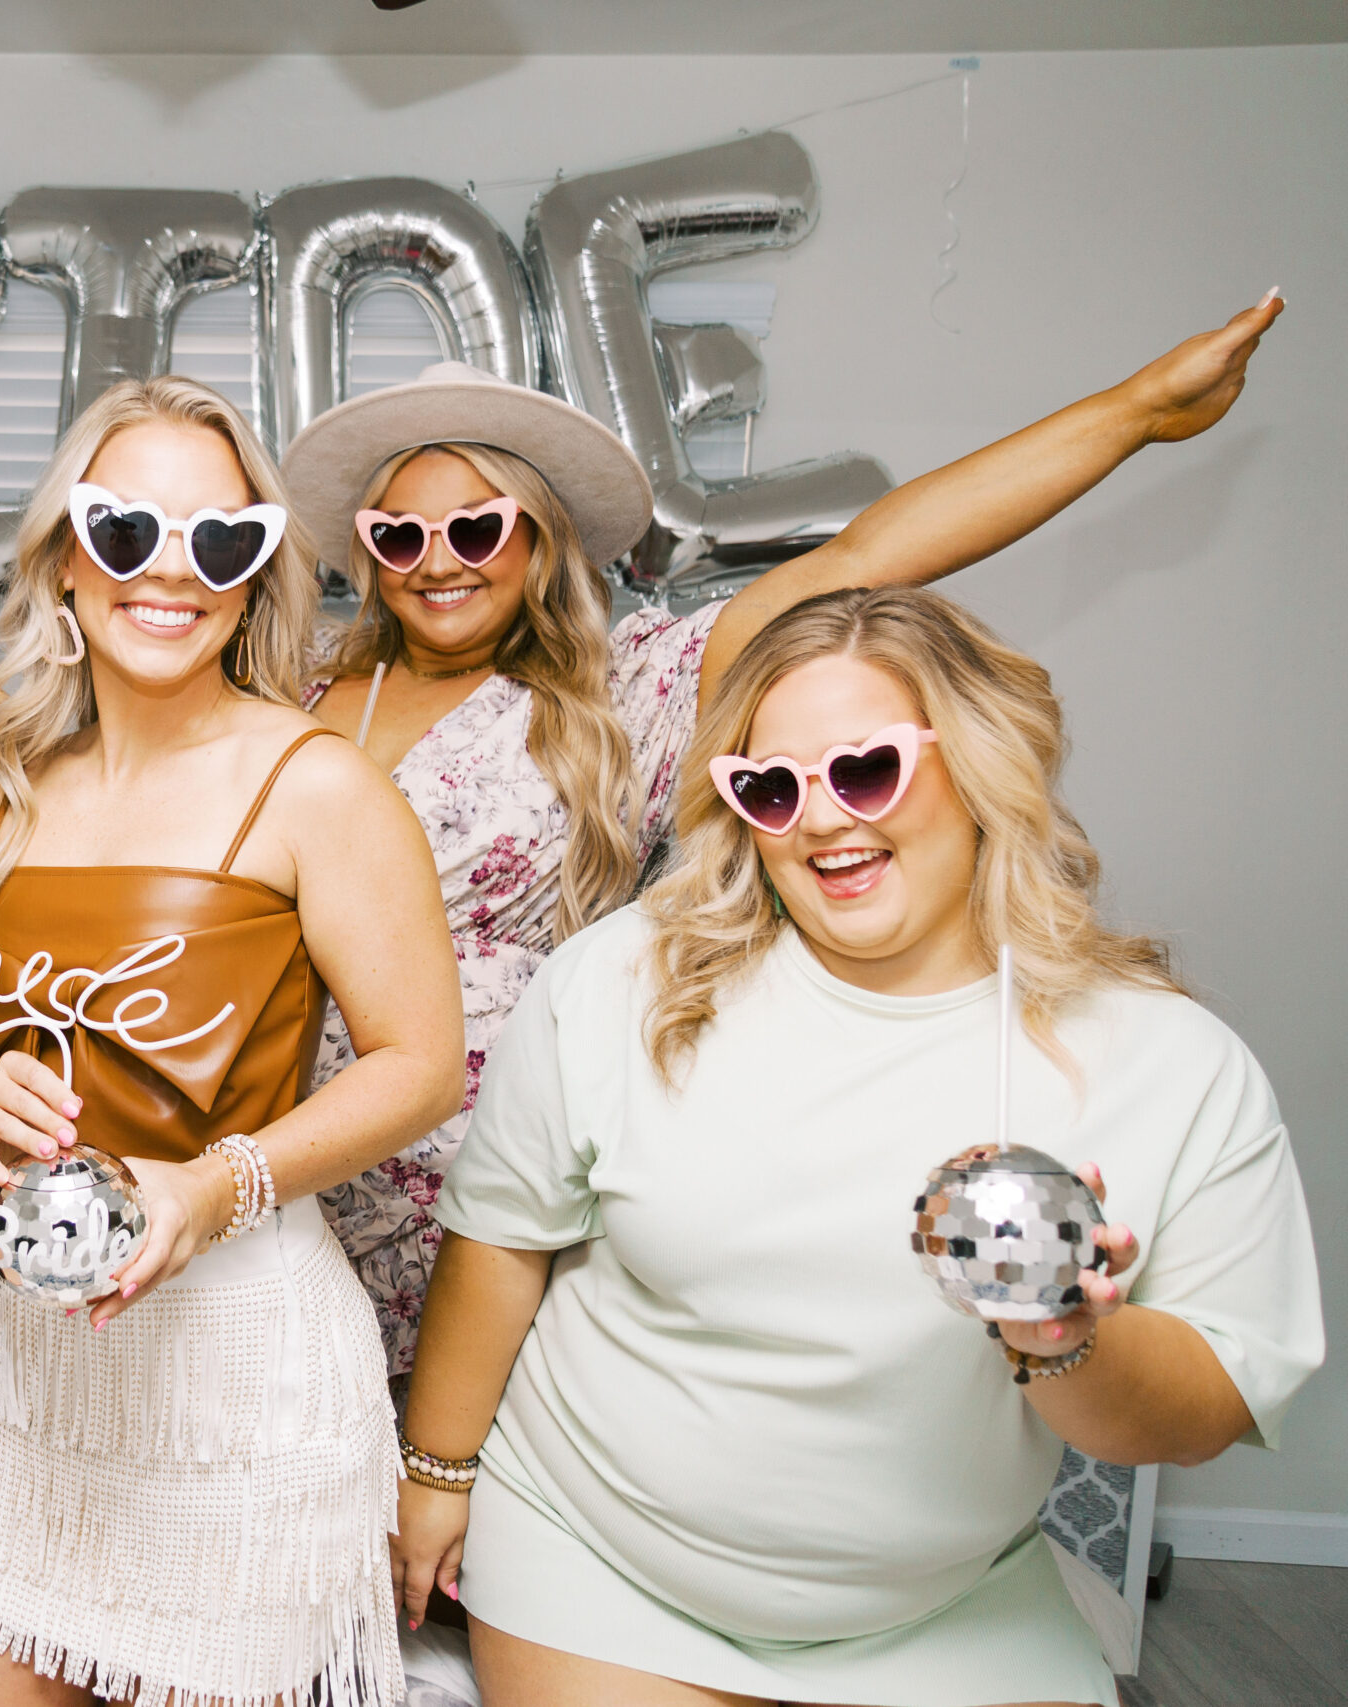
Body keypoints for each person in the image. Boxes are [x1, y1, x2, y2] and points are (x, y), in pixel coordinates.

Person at [279, 292, 1285, 1380]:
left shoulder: (621, 695)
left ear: (537, 539)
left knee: (438, 1505)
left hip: (476, 1182)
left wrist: (1135, 410)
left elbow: (865, 553)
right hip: (270, 1147)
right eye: (398, 534)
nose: (438, 560)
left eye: (477, 527)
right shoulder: (291, 685)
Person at [393, 585, 1323, 1706]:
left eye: (865, 769)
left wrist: (1060, 1333)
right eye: (771, 789)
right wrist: (436, 1477)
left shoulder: (1171, 1062)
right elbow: (497, 1236)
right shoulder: (623, 980)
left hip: (947, 1602)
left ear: (979, 765)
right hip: (600, 1566)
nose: (823, 819)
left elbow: (1203, 1415)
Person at [0, 376, 463, 1706]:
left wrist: (216, 1182)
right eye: (127, 530)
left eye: (222, 538)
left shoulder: (318, 782)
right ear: (67, 565)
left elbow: (421, 1059)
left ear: (256, 577)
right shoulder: (3, 784)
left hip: (237, 1369)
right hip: (32, 1376)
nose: (171, 572)